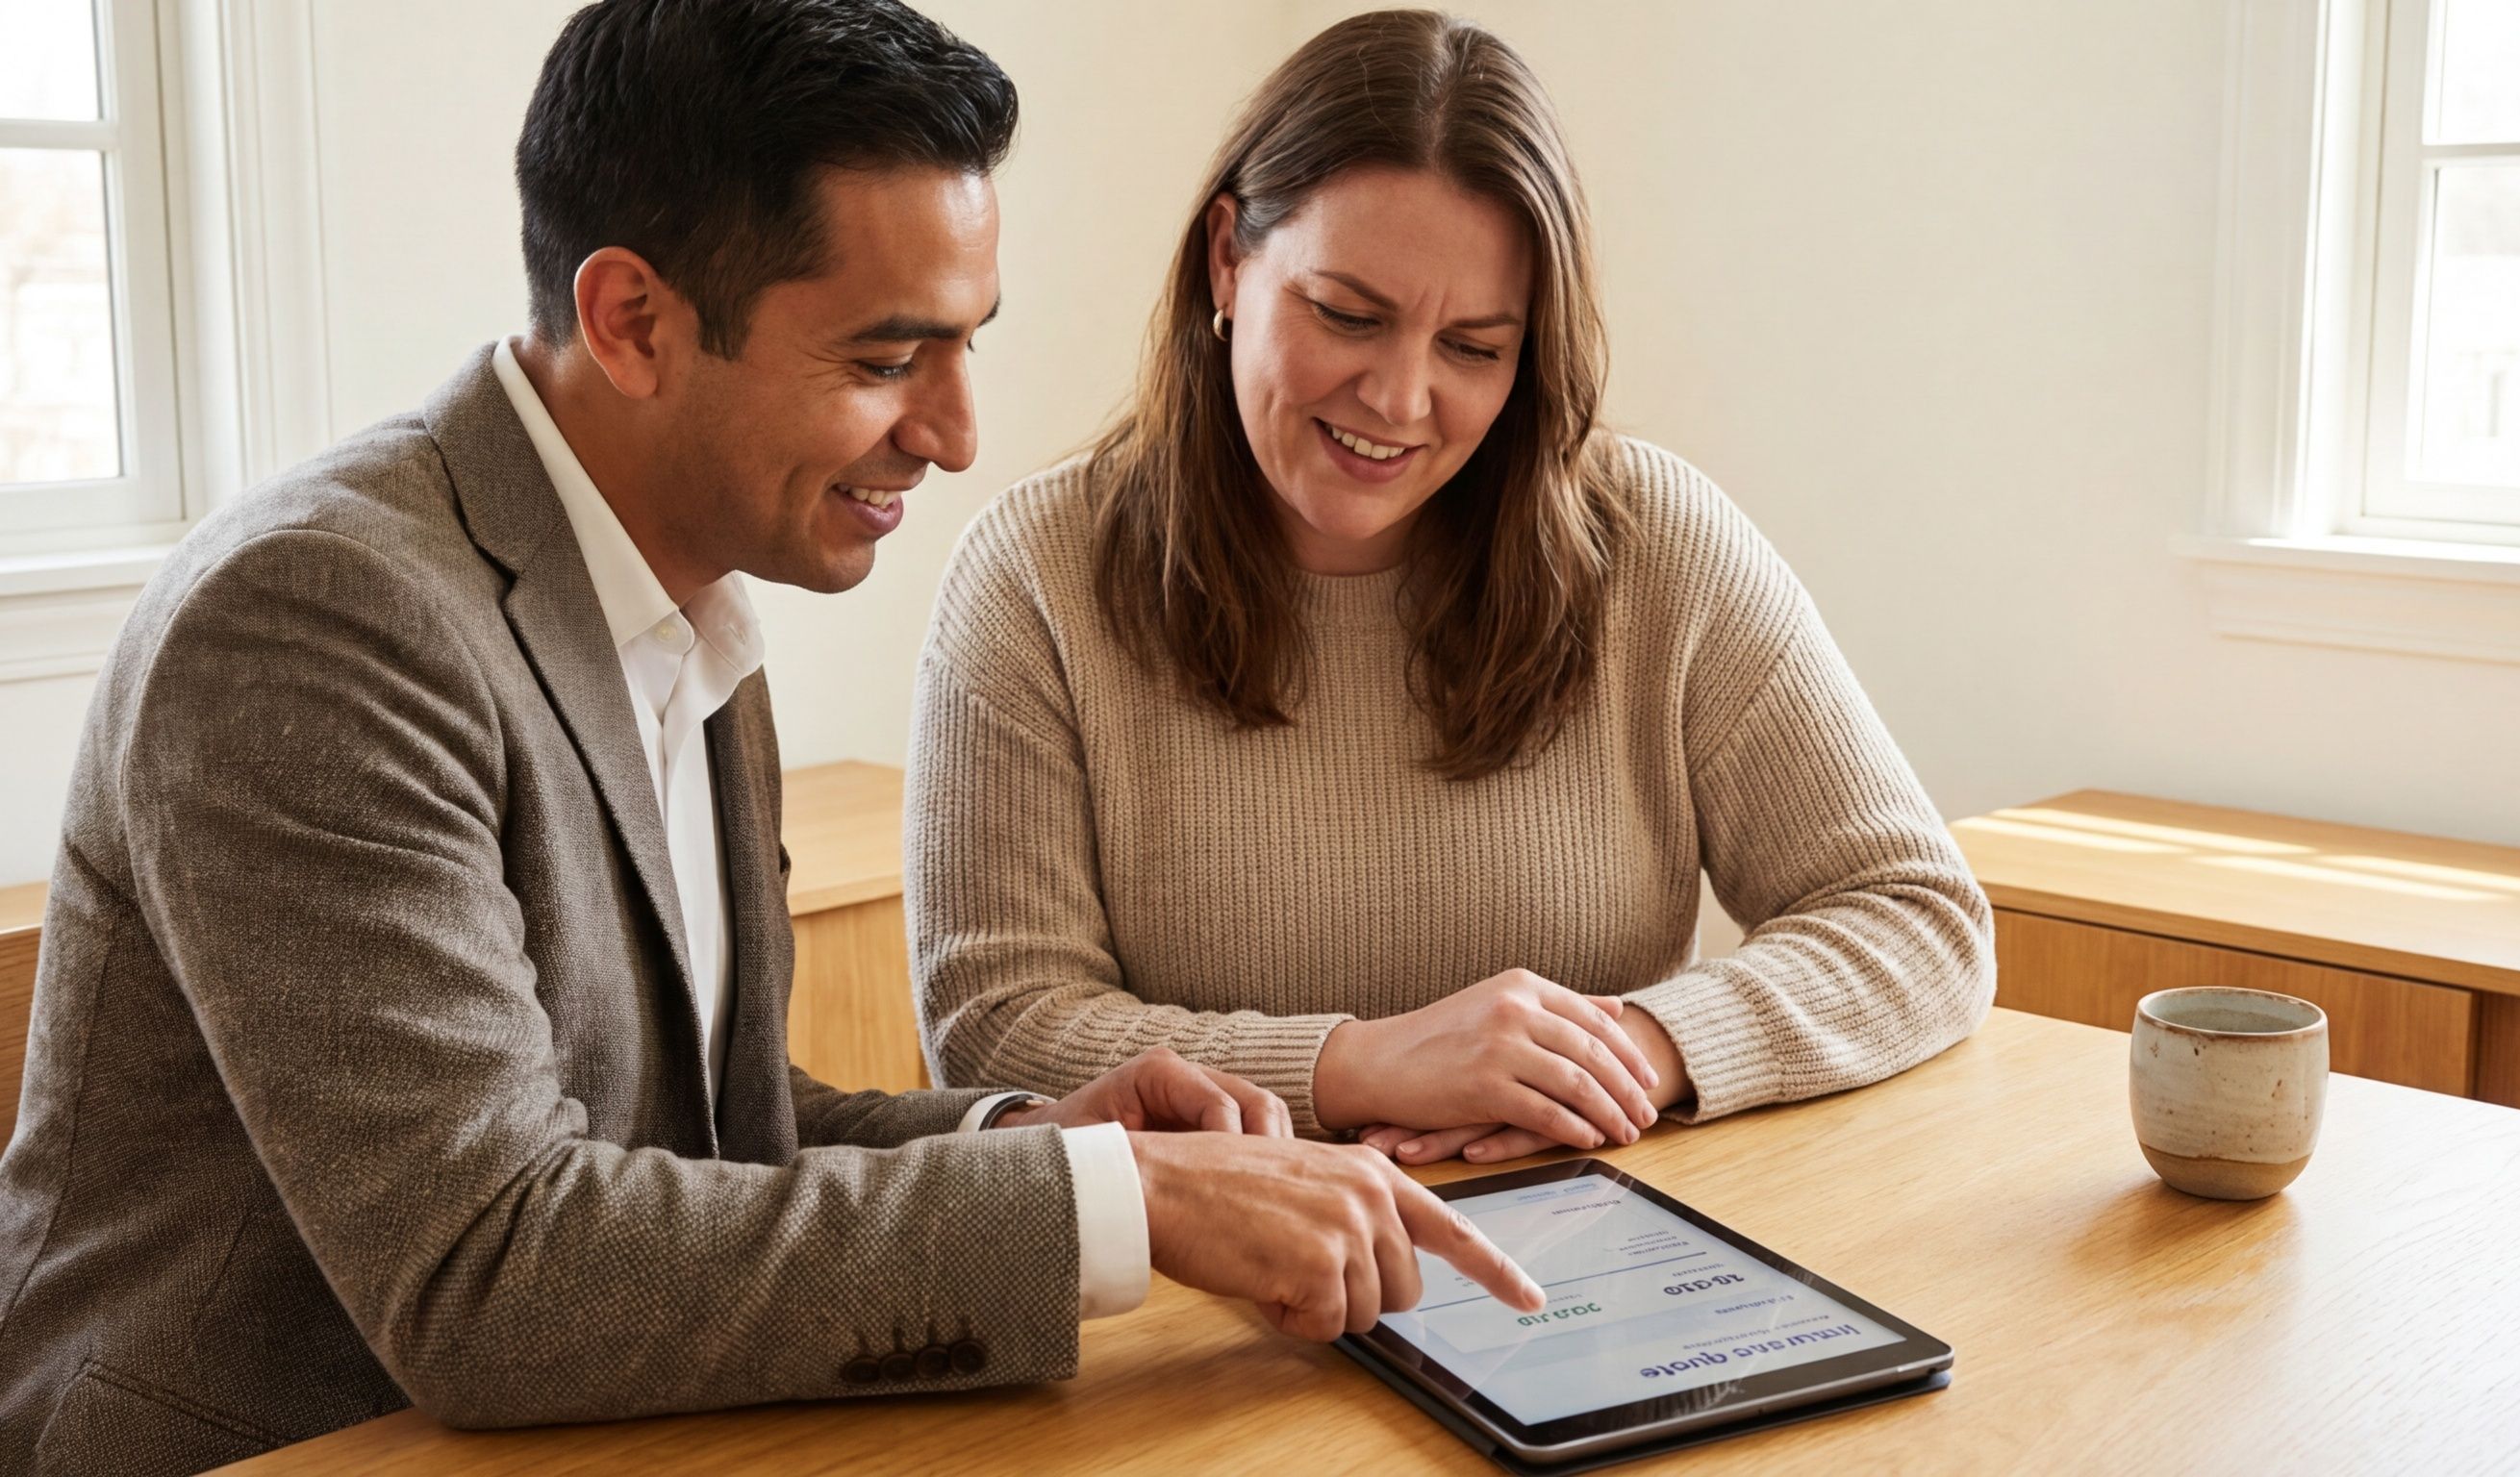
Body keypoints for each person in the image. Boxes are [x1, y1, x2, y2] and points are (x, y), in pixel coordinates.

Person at [0, 4, 1539, 1471]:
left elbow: (711, 1136)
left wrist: (1033, 1137)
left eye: (962, 347)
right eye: (884, 363)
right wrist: (1115, 1204)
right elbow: (493, 1273)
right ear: (632, 320)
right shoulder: (318, 619)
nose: (952, 434)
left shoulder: (688, 598)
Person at [907, 9, 1995, 1168]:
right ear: (1228, 255)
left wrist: (1618, 1053)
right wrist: (1366, 1067)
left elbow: (1915, 916)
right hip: (1214, 1281)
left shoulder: (1652, 545)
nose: (1399, 400)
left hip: (1589, 1255)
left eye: (1474, 346)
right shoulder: (1035, 577)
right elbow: (997, 1032)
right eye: (1347, 315)